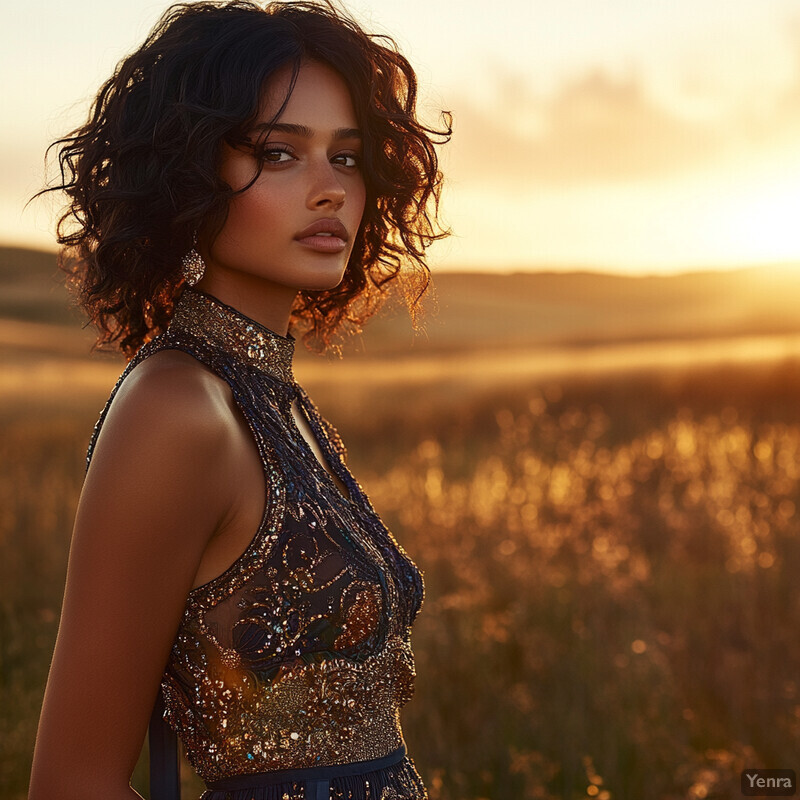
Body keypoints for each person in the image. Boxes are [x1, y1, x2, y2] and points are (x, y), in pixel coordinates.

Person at [28, 2, 450, 798]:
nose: (330, 191)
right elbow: (72, 782)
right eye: (280, 154)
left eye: (348, 158)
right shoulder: (178, 410)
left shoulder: (268, 395)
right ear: (190, 173)